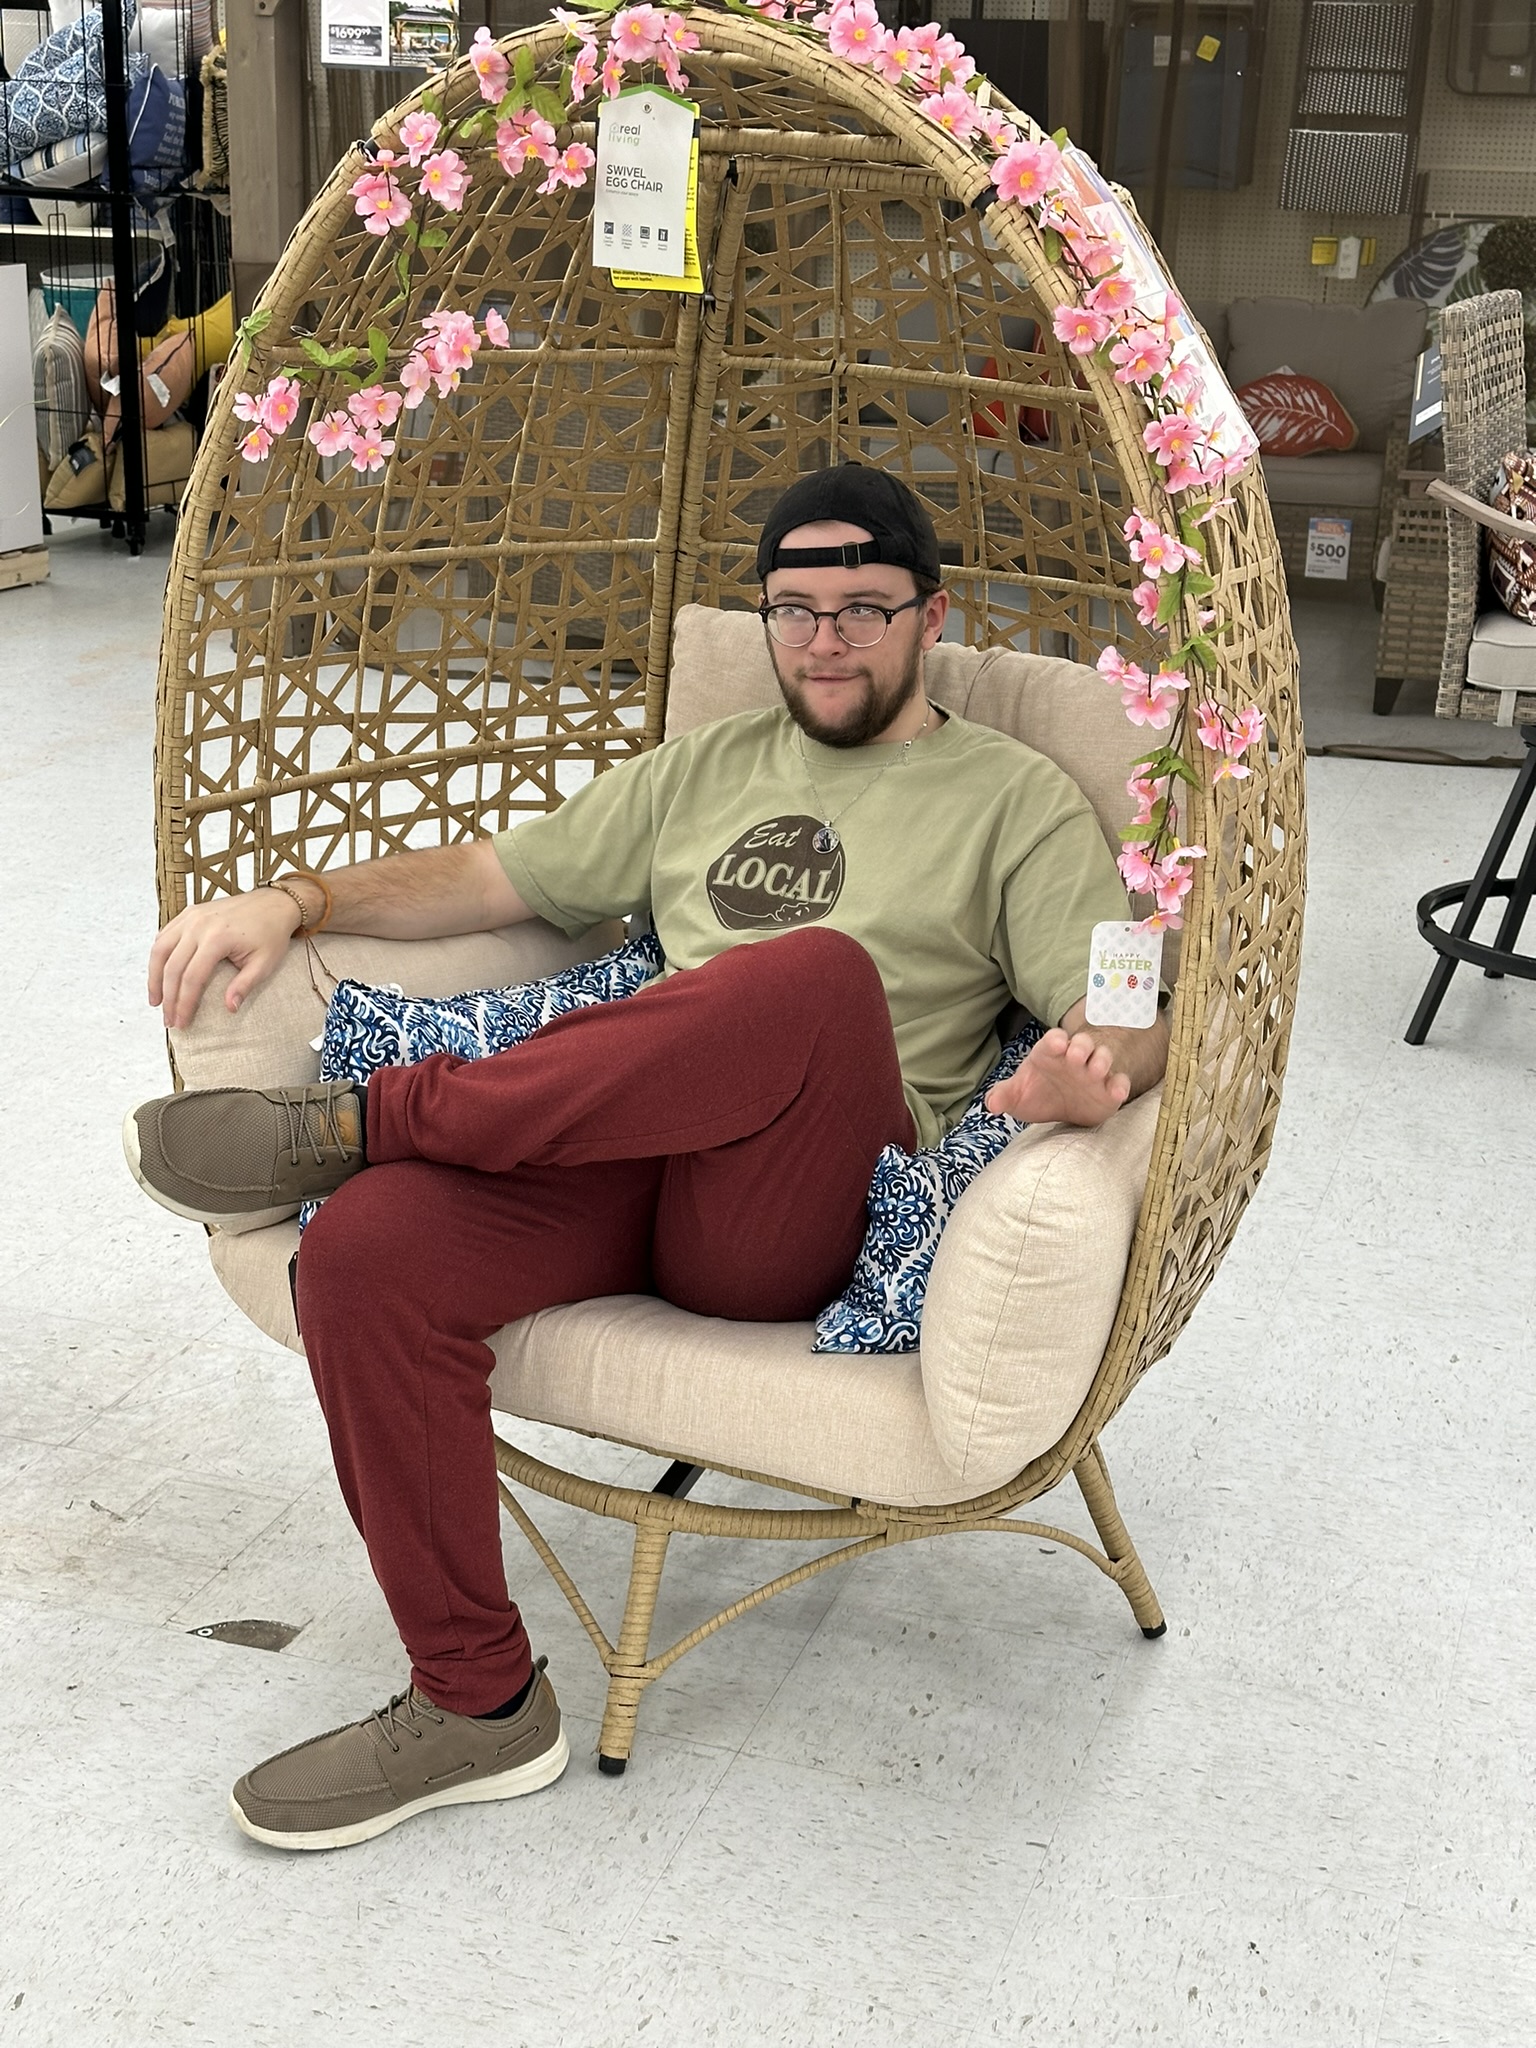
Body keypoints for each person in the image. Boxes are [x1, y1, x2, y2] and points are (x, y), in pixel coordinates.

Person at [125, 463, 1168, 1853]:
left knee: (810, 978)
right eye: (794, 611)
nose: (825, 641)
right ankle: (478, 1702)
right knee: (366, 1253)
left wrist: (1090, 1068)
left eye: (863, 609)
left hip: (791, 1212)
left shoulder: (1013, 799)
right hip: (616, 1157)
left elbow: (1124, 1003)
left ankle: (368, 1121)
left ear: (932, 616)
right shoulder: (705, 769)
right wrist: (296, 897)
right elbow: (491, 879)